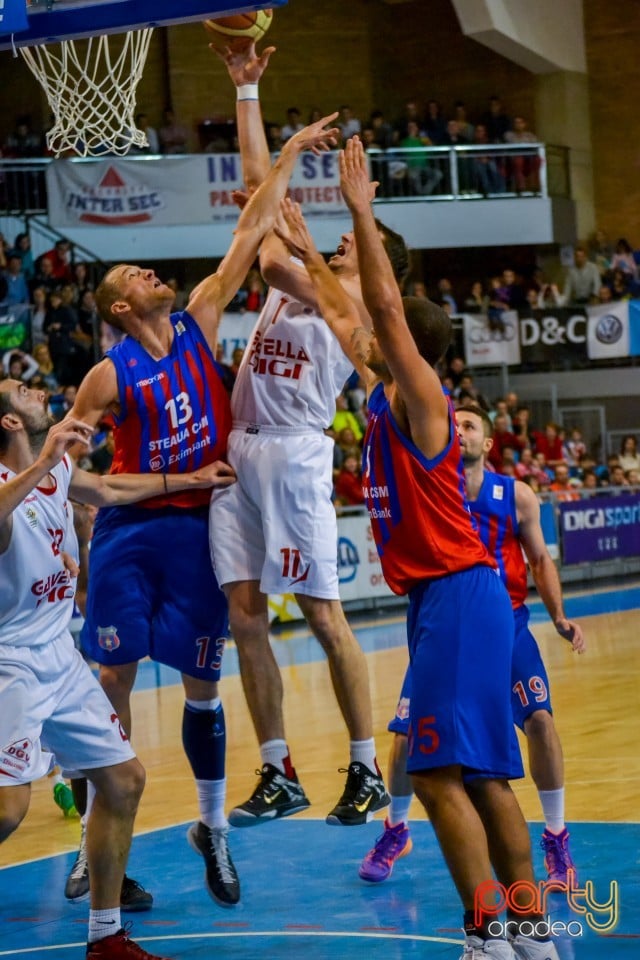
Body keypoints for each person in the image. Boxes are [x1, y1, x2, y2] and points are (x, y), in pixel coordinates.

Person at [273, 137, 559, 960]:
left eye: (379, 339)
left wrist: (361, 215)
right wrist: (306, 252)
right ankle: (531, 932)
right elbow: (345, 314)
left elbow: (383, 316)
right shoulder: (383, 395)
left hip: (460, 594)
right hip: (450, 599)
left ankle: (487, 934)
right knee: (484, 778)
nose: (360, 338)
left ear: (407, 351)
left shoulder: (424, 398)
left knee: (433, 776)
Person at [63, 109, 339, 906]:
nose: (154, 276)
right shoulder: (107, 377)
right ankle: (93, 844)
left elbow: (253, 227)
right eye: (137, 278)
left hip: (195, 530)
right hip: (128, 532)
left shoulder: (199, 320)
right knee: (110, 677)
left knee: (201, 686)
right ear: (119, 308)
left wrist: (284, 153)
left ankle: (213, 829)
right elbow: (65, 470)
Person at [209, 42, 395, 827]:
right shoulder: (317, 276)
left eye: (357, 244)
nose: (346, 241)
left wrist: (285, 164)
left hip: (293, 454)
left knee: (323, 616)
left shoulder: (351, 309)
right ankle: (277, 768)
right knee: (245, 614)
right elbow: (260, 200)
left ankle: (364, 767)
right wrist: (249, 93)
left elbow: (269, 248)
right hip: (240, 448)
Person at [0, 379, 236, 959]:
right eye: (19, 390)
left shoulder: (56, 473)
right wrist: (49, 459)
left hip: (59, 652)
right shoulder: (12, 482)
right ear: (8, 422)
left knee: (124, 779)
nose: (33, 389)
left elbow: (108, 486)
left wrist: (192, 480)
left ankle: (105, 937)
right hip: (9, 663)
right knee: (9, 808)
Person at [359, 405, 584, 896]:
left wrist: (560, 616)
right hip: (447, 621)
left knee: (541, 721)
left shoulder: (516, 496)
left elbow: (541, 559)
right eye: (452, 423)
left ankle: (556, 836)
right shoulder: (431, 490)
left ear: (487, 444)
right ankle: (396, 830)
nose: (458, 431)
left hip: (507, 621)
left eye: (470, 426)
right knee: (404, 735)